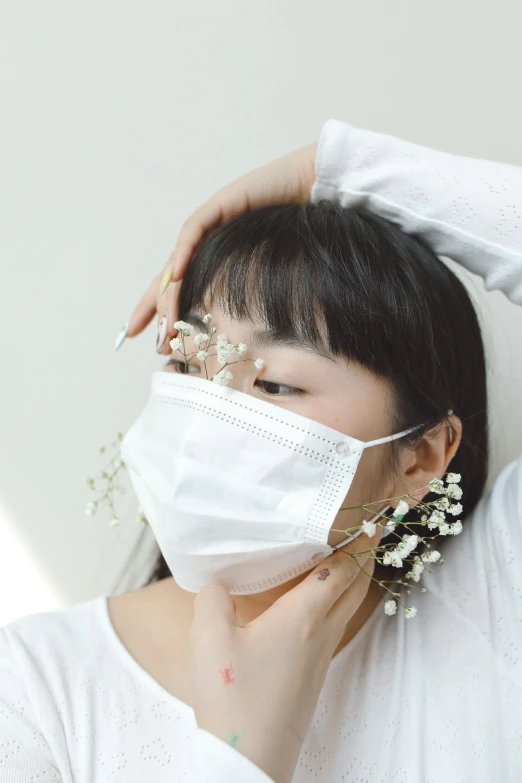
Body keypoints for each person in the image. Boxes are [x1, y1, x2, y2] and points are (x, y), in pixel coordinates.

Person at [1, 119, 520, 783]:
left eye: (275, 381)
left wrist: (332, 169)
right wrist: (242, 758)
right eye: (190, 365)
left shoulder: (495, 599)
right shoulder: (33, 689)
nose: (211, 414)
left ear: (420, 458)